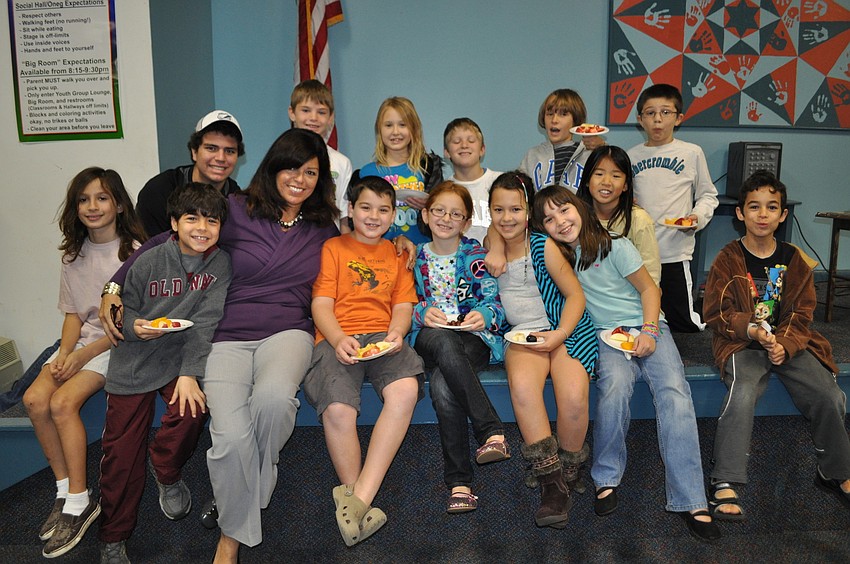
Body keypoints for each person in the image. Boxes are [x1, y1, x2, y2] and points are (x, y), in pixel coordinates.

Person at [99, 128, 340, 563]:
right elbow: (168, 240)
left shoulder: (325, 229)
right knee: (228, 436)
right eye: (290, 167)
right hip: (225, 335)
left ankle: (229, 536)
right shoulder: (235, 209)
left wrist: (403, 243)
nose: (299, 179)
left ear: (320, 178)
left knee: (273, 402)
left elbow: (365, 247)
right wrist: (114, 286)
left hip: (288, 331)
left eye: (310, 171)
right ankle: (246, 509)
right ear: (271, 167)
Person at [531, 185, 721, 542]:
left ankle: (692, 499)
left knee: (675, 395)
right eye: (549, 219)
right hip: (605, 335)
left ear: (580, 208)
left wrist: (649, 330)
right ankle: (606, 479)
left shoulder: (613, 244)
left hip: (648, 325)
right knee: (613, 389)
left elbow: (650, 290)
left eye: (564, 210)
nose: (560, 221)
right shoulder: (557, 257)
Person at [703, 171, 850, 519]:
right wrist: (751, 331)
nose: (763, 214)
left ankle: (835, 469)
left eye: (771, 207)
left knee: (829, 394)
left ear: (783, 215)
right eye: (754, 207)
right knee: (741, 394)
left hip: (789, 344)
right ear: (740, 214)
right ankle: (726, 477)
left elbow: (803, 312)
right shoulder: (728, 258)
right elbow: (716, 312)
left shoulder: (794, 259)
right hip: (743, 344)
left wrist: (784, 343)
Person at [97, 183, 232, 563]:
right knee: (121, 454)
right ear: (173, 223)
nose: (202, 228)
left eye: (211, 220)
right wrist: (135, 326)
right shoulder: (150, 258)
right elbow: (120, 311)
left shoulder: (219, 265)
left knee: (192, 409)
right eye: (191, 219)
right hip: (134, 358)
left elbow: (205, 325)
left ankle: (167, 469)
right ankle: (113, 535)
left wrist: (190, 373)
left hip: (178, 356)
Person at [23, 167, 146, 559]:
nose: (92, 206)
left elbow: (120, 324)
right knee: (34, 399)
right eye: (84, 199)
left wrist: (79, 358)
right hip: (79, 346)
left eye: (102, 198)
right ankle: (63, 492)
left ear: (120, 204)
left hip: (116, 347)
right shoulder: (73, 256)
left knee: (61, 403)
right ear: (75, 207)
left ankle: (81, 500)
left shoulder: (136, 252)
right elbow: (75, 314)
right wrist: (62, 356)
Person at [304, 176, 424, 546]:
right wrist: (338, 338)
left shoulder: (398, 252)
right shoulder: (333, 248)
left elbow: (403, 306)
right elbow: (321, 304)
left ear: (393, 215)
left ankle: (358, 500)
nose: (374, 216)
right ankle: (358, 504)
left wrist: (397, 333)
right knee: (339, 410)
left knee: (405, 389)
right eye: (366, 207)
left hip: (383, 337)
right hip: (337, 337)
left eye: (384, 210)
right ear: (351, 210)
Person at [487, 172, 597, 528]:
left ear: (527, 211)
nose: (507, 218)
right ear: (489, 211)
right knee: (522, 388)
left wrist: (560, 334)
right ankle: (552, 483)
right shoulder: (491, 246)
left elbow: (575, 295)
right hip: (523, 334)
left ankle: (569, 468)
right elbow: (491, 235)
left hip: (565, 327)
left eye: (515, 209)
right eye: (498, 210)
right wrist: (493, 243)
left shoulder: (543, 245)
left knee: (574, 397)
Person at [408, 181, 509, 514]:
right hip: (429, 335)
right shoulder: (413, 256)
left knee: (440, 384)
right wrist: (422, 312)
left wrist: (483, 314)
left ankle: (460, 485)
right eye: (439, 210)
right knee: (442, 340)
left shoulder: (476, 255)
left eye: (456, 214)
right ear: (425, 214)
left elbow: (494, 302)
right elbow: (405, 304)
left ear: (466, 222)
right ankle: (491, 431)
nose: (446, 218)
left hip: (472, 338)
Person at [627, 84, 719, 332]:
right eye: (650, 113)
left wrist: (696, 218)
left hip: (673, 249)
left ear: (678, 118)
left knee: (684, 323)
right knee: (640, 315)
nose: (657, 119)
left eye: (665, 112)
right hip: (639, 252)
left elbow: (708, 195)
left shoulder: (691, 153)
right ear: (640, 119)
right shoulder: (630, 156)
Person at [136, 110, 244, 236]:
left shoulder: (238, 201)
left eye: (230, 151)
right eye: (211, 148)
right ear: (194, 152)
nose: (221, 158)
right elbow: (153, 250)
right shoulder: (160, 191)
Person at [351, 96, 442, 245]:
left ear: (414, 129)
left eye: (402, 125)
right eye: (388, 125)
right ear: (379, 130)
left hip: (423, 253)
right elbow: (354, 221)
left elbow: (444, 209)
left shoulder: (428, 167)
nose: (395, 132)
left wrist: (429, 205)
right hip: (381, 253)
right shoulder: (366, 173)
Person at [576, 145, 661, 285]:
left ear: (625, 185)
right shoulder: (575, 218)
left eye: (616, 176)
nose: (606, 182)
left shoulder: (639, 220)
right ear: (586, 180)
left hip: (630, 302)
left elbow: (652, 278)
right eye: (599, 174)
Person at [288, 79, 353, 231]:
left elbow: (343, 216)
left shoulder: (341, 162)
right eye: (305, 110)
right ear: (292, 113)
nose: (313, 118)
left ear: (331, 118)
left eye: (321, 112)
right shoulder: (280, 156)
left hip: (328, 242)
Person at [519, 88, 604, 192]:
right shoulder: (532, 155)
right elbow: (519, 190)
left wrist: (602, 148)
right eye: (550, 114)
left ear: (575, 120)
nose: (554, 120)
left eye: (563, 114)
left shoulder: (588, 153)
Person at [442, 117, 502, 243]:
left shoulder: (500, 182)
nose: (464, 145)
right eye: (457, 141)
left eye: (471, 140)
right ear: (447, 152)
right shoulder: (443, 191)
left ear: (482, 149)